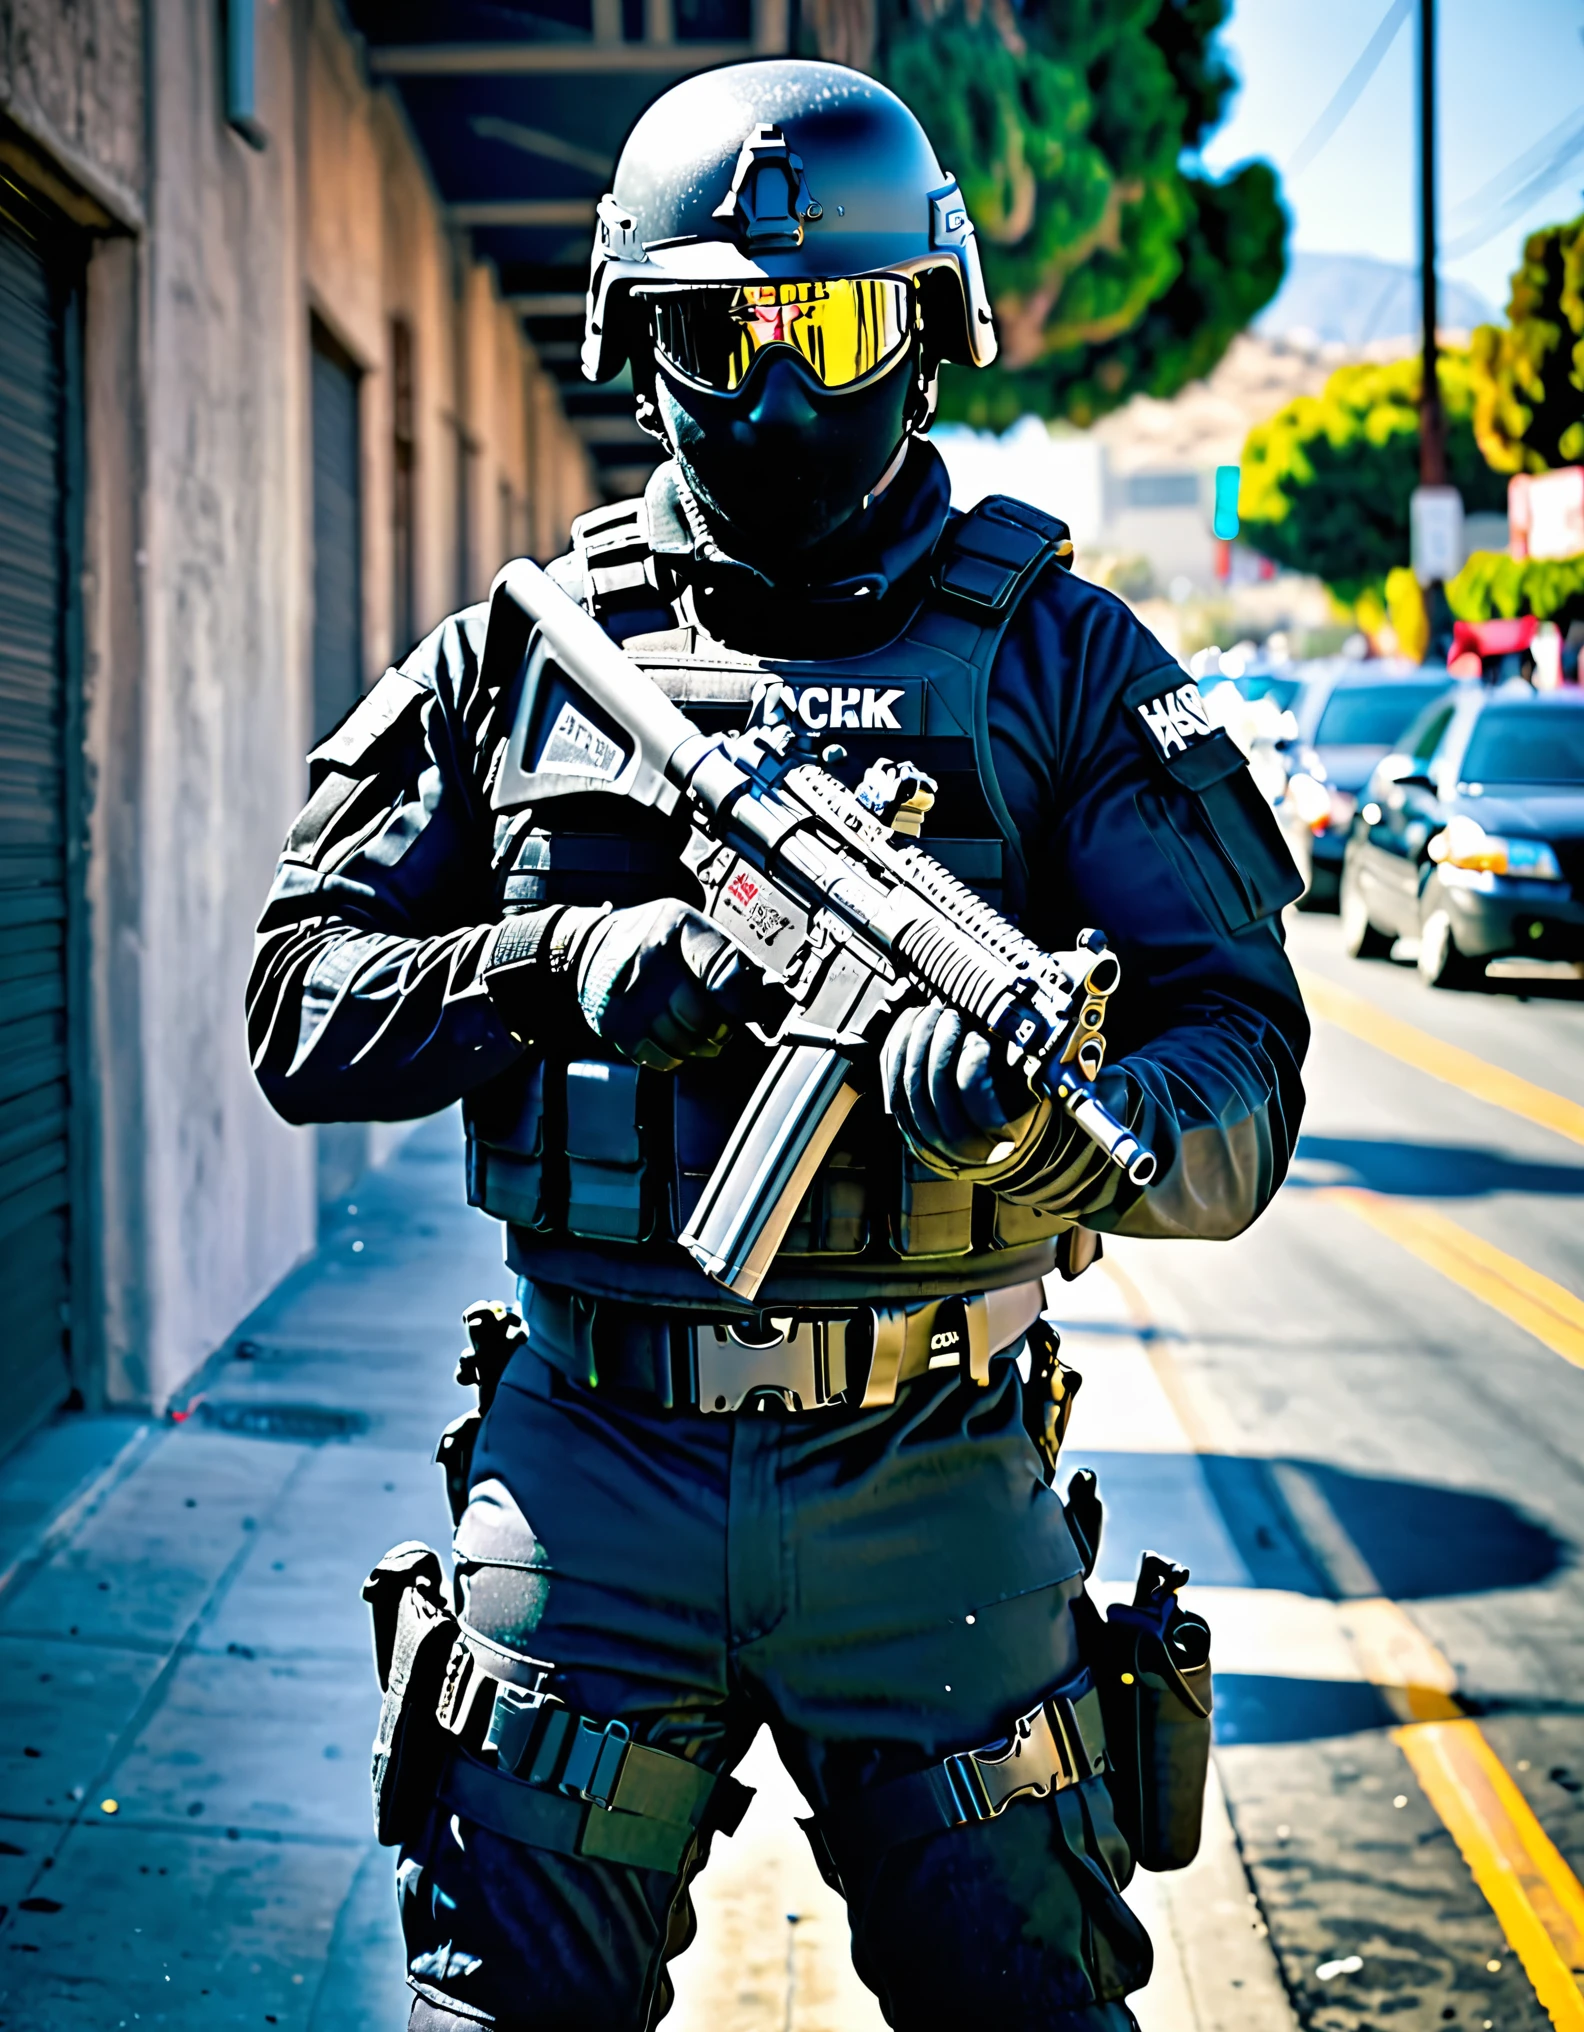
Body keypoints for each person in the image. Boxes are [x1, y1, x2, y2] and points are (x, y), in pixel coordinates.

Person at [249, 58, 1307, 2032]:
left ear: (931, 330)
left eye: (830, 318)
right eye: (718, 330)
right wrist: (568, 961)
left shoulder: (1064, 658)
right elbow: (297, 1000)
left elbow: (1238, 1065)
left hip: (934, 1479)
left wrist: (1051, 1137)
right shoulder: (524, 652)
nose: (779, 385)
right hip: (592, 1462)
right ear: (634, 349)